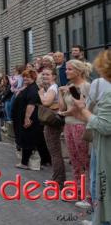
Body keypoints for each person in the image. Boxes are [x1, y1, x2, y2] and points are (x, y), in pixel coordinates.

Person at [67, 50, 111, 225]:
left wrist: (82, 109)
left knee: (101, 182)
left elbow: (105, 126)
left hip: (106, 149)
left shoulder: (103, 90)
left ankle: (100, 219)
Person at [58, 59, 92, 208]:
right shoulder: (70, 87)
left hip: (80, 126)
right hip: (68, 126)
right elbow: (62, 106)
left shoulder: (86, 86)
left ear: (78, 71)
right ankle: (77, 190)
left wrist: (64, 113)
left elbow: (81, 108)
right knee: (74, 160)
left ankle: (89, 194)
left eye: (69, 69)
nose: (66, 71)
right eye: (66, 69)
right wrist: (60, 93)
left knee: (85, 161)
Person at [14, 69, 51, 170]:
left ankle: (24, 163)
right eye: (24, 76)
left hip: (31, 119)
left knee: (28, 140)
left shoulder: (33, 89)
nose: (25, 78)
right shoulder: (28, 87)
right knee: (38, 140)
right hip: (28, 118)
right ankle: (46, 161)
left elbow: (31, 105)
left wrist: (27, 118)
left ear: (34, 77)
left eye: (28, 77)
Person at [38, 68, 65, 187]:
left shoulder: (53, 88)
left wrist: (41, 93)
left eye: (47, 74)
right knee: (55, 152)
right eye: (43, 74)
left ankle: (57, 180)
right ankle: (58, 178)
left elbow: (46, 102)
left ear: (54, 76)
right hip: (52, 121)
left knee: (54, 152)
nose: (44, 76)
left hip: (52, 122)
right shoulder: (52, 87)